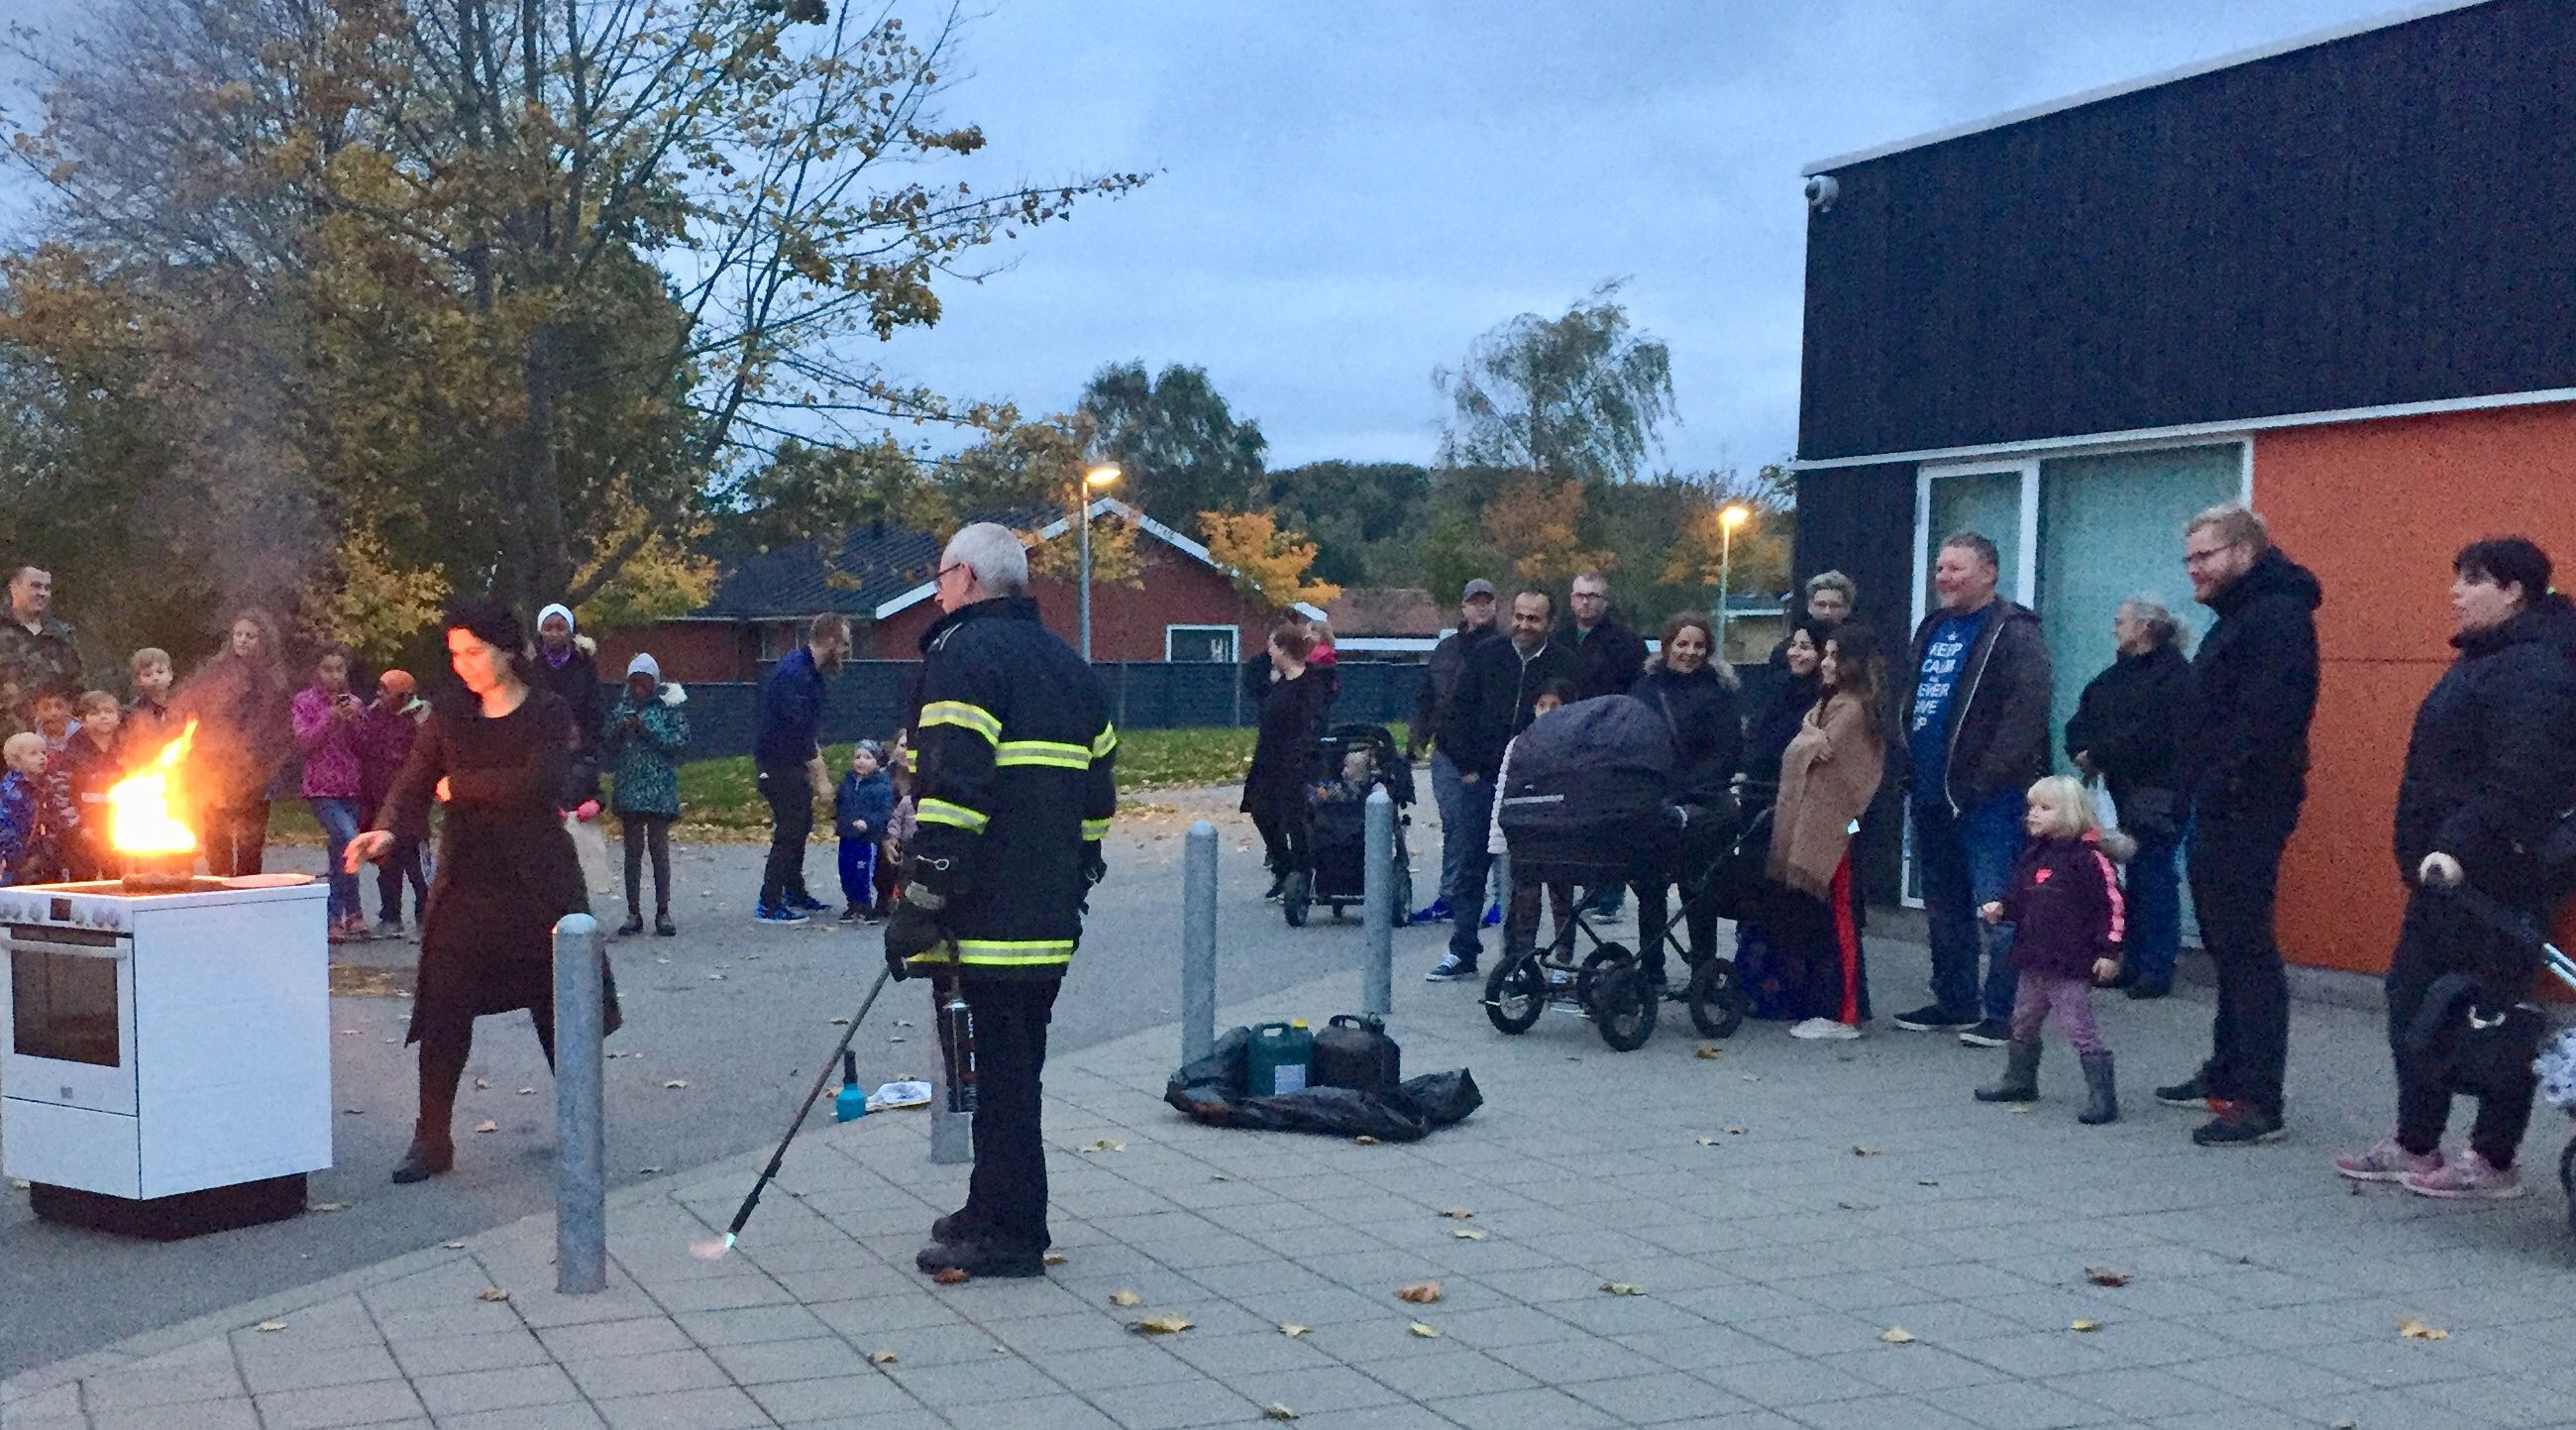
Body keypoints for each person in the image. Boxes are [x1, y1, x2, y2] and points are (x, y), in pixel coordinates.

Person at [883, 522, 1116, 1278]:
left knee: (1002, 1080)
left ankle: (1012, 1231)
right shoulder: (1070, 667)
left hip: (986, 915)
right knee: (1016, 1070)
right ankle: (991, 1204)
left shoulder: (963, 657)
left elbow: (954, 792)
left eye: (941, 577)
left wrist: (921, 898)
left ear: (968, 577)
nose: (936, 593)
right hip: (1048, 915)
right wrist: (1074, 878)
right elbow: (1098, 803)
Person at [2334, 538, 2576, 1197]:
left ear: (2515, 592)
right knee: (2417, 1002)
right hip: (2446, 876)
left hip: (2497, 876)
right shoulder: (2485, 657)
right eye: (2457, 578)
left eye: (2473, 580)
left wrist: (2459, 846)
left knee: (2495, 1012)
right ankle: (2416, 1143)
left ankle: (2493, 1158)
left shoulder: (2538, 668)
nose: (2456, 591)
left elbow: (2522, 778)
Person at [345, 602, 617, 1184]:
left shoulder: (547, 710)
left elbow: (540, 782)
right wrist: (386, 829)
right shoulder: (448, 714)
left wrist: (460, 785)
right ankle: (431, 1138)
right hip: (468, 880)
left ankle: (583, 1124)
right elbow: (414, 782)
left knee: (560, 1007)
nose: (462, 664)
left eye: (474, 652)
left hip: (538, 882)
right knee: (443, 1006)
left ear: (507, 651)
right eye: (455, 654)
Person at [2158, 503, 2321, 1148]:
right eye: (2189, 558)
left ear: (2245, 553)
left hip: (2246, 806)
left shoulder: (2277, 616)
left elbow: (2271, 719)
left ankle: (2258, 1099)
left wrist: (2222, 783)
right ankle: (2226, 1071)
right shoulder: (2241, 615)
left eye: (2205, 556)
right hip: (2223, 803)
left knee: (2246, 949)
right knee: (2227, 945)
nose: (2193, 569)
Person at [1896, 532, 2054, 1047]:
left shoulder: (2014, 631)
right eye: (1940, 568)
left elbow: (2026, 713)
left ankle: (2007, 1014)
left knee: (1999, 906)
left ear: (1989, 573)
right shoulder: (1932, 627)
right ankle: (1955, 1001)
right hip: (1930, 794)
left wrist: (1985, 779)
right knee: (1944, 906)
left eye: (1956, 568)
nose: (1943, 577)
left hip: (1989, 800)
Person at [1430, 589, 1576, 981]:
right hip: (1482, 779)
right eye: (1520, 616)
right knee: (1470, 864)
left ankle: (1521, 957)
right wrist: (1467, 769)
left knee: (1530, 875)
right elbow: (1455, 712)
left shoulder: (1565, 663)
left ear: (1550, 623)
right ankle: (1462, 949)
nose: (1524, 625)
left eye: (1534, 618)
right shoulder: (1486, 655)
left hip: (1536, 784)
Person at [1973, 775, 2128, 1122]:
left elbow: (2112, 908)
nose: (2033, 814)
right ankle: (2019, 1079)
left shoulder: (2089, 860)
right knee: (2022, 1020)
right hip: (2033, 958)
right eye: (2032, 807)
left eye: (2045, 808)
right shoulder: (2034, 854)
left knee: (2078, 1026)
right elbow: (2021, 897)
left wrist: (2109, 952)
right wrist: (2003, 909)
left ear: (2070, 812)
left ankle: (2102, 1095)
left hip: (2070, 963)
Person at [2064, 599, 2195, 1000]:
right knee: (2132, 877)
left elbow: (2152, 736)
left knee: (2153, 874)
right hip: (2121, 788)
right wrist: (2080, 749)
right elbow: (2083, 718)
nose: (2114, 629)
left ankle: (2155, 966)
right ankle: (2133, 962)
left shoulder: (2174, 678)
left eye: (2120, 622)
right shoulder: (2115, 677)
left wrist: (2097, 754)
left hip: (2161, 790)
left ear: (2145, 628)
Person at [1769, 624, 1891, 1040]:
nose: (1825, 662)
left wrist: (1802, 747)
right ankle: (1827, 1003)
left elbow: (1835, 767)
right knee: (1823, 919)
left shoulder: (1853, 710)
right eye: (1827, 654)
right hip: (1825, 824)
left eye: (1835, 656)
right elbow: (1807, 748)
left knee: (1839, 918)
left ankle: (1845, 1012)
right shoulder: (1827, 705)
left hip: (1841, 828)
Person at [1628, 611, 1744, 982]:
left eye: (1699, 645)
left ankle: (1703, 969)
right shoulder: (1645, 689)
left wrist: (1694, 788)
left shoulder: (1720, 693)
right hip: (1655, 801)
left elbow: (1728, 751)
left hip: (1701, 805)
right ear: (1666, 646)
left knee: (1699, 890)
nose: (1690, 652)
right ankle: (1651, 967)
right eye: (1682, 644)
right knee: (1650, 890)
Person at [1737, 614, 1836, 1018]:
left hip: (1807, 816)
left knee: (1798, 907)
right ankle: (1760, 986)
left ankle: (1799, 993)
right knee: (1763, 899)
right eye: (1794, 645)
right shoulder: (1777, 689)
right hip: (1762, 806)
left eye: (1807, 647)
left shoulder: (1826, 702)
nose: (1797, 653)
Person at [1409, 579, 1499, 926]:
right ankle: (1450, 896)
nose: (1481, 607)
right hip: (1447, 751)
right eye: (1475, 602)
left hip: (1487, 753)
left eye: (1486, 601)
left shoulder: (1503, 648)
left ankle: (1501, 899)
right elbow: (1426, 697)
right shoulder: (1446, 649)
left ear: (1495, 606)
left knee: (1494, 828)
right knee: (1454, 826)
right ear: (1464, 608)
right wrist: (1417, 739)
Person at [179, 608, 293, 878]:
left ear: (263, 640)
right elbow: (198, 708)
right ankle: (219, 888)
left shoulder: (273, 680)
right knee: (216, 837)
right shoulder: (215, 672)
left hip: (255, 769)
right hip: (214, 766)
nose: (242, 640)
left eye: (250, 636)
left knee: (250, 841)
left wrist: (258, 758)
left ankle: (246, 890)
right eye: (238, 634)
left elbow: (276, 726)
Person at [752, 613, 850, 923]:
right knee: (790, 828)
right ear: (831, 641)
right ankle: (769, 903)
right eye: (844, 644)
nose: (846, 651)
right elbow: (798, 732)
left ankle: (794, 892)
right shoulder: (793, 674)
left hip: (790, 760)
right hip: (776, 761)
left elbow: (807, 730)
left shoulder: (811, 672)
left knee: (801, 823)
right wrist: (821, 778)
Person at [1488, 678, 1581, 962]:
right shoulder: (1519, 744)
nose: (1548, 711)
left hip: (1562, 834)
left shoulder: (1578, 744)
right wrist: (1498, 838)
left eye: (1556, 705)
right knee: (1524, 900)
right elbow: (1503, 791)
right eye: (1542, 705)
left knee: (1562, 900)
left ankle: (1563, 958)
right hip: (1526, 833)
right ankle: (1522, 959)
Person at [1241, 623, 1336, 902]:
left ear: (1284, 650)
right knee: (1261, 810)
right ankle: (1283, 865)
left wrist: (1304, 750)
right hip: (1269, 758)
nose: (1269, 652)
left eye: (1273, 647)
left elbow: (1314, 720)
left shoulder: (1311, 682)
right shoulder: (1276, 683)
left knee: (1295, 816)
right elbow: (1254, 679)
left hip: (1297, 760)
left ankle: (1301, 873)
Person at [602, 653, 689, 937]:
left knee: (659, 849)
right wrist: (621, 728)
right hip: (629, 786)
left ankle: (663, 911)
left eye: (645, 682)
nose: (639, 688)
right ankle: (633, 912)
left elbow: (679, 741)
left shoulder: (668, 706)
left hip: (659, 788)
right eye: (635, 682)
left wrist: (647, 730)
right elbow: (608, 742)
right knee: (632, 852)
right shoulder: (622, 706)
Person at [292, 645, 373, 941]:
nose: (334, 676)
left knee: (342, 850)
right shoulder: (304, 702)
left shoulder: (355, 703)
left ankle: (346, 915)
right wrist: (331, 717)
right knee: (349, 839)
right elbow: (305, 742)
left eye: (340, 669)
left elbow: (364, 746)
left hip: (350, 786)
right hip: (320, 788)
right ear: (316, 671)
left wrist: (355, 720)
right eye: (328, 669)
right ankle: (340, 913)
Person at [359, 670, 429, 937]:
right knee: (387, 863)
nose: (379, 695)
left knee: (417, 867)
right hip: (381, 802)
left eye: (386, 690)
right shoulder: (375, 717)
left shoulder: (420, 720)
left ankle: (425, 916)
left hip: (412, 807)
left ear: (404, 696)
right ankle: (391, 915)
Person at [533, 605, 608, 802]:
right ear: (540, 632)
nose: (554, 634)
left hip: (578, 751)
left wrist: (586, 741)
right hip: (541, 751)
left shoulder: (585, 665)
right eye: (548, 628)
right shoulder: (532, 667)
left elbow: (595, 707)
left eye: (560, 628)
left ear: (571, 632)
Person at [0, 565, 82, 735]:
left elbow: (79, 689)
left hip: (57, 741)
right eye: (35, 586)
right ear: (14, 588)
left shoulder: (62, 634)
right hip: (7, 739)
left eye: (47, 588)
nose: (42, 593)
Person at [58, 691, 125, 880]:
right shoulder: (72, 753)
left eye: (108, 711)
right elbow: (60, 795)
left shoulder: (127, 747)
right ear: (82, 720)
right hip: (82, 834)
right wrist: (79, 827)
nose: (103, 716)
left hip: (118, 830)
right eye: (95, 713)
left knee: (116, 881)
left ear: (118, 718)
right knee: (82, 882)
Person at [835, 739, 893, 924]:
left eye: (867, 757)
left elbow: (884, 811)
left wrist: (868, 823)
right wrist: (841, 821)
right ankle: (852, 904)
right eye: (858, 757)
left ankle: (865, 905)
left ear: (877, 761)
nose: (861, 761)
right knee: (846, 870)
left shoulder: (881, 786)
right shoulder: (847, 782)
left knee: (863, 872)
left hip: (867, 838)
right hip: (847, 835)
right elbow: (840, 804)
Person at [1771, 572, 1857, 665]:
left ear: (1847, 609)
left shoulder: (1856, 648)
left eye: (1835, 606)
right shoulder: (1786, 651)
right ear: (1810, 607)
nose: (1827, 611)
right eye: (1821, 605)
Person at [0, 731, 43, 883]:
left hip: (31, 859)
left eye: (44, 753)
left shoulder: (39, 786)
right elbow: (7, 831)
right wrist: (19, 861)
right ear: (17, 761)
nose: (42, 757)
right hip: (10, 865)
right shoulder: (12, 792)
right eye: (33, 754)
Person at [125, 648, 179, 751]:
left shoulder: (183, 703)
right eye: (148, 675)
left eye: (160, 672)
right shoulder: (134, 712)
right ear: (138, 680)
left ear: (170, 675)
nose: (155, 678)